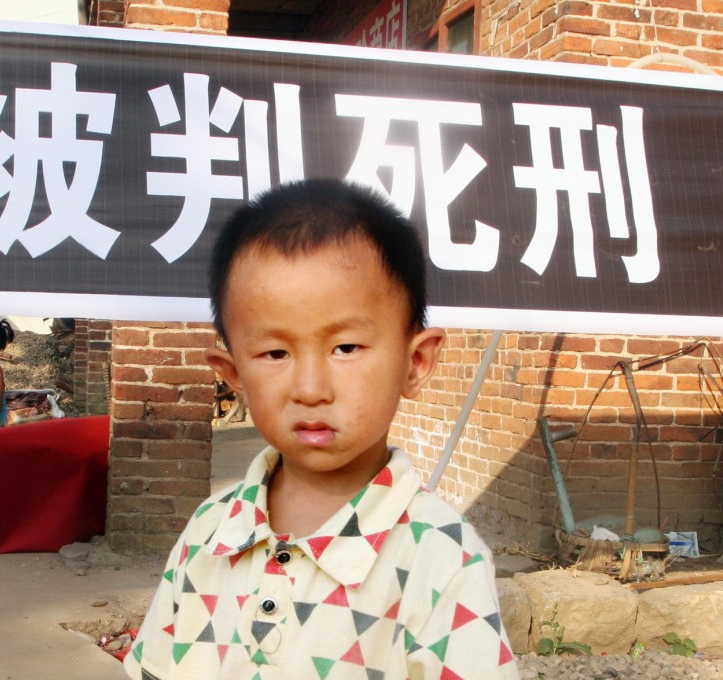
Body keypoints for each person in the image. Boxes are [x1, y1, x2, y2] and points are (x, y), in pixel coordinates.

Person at [126, 179, 519, 679]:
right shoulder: (210, 529)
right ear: (234, 377)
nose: (310, 388)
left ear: (415, 362)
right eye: (275, 353)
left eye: (346, 348)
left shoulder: (441, 554)